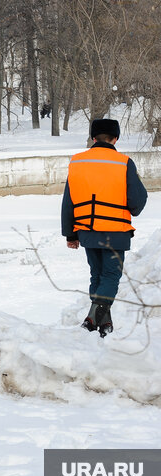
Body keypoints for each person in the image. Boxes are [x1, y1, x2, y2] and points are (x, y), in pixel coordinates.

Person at [61, 119, 147, 337]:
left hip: (87, 229)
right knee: (110, 277)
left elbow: (68, 201)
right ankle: (92, 318)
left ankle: (104, 324)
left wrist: (71, 233)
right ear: (115, 138)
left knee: (97, 275)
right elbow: (137, 201)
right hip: (115, 230)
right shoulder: (124, 162)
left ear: (93, 137)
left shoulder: (77, 162)